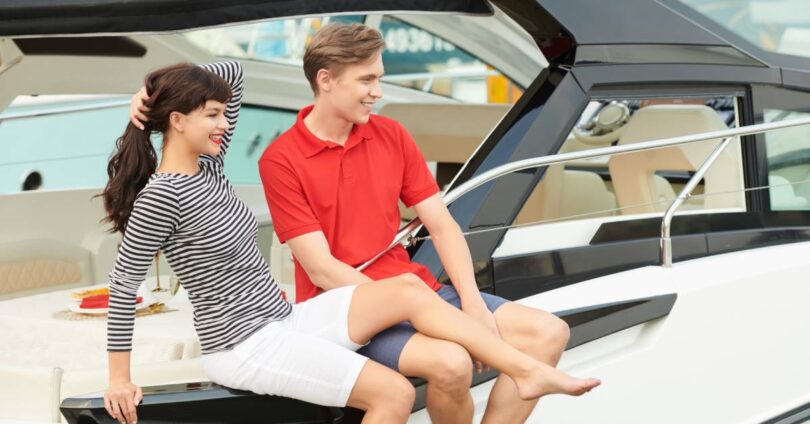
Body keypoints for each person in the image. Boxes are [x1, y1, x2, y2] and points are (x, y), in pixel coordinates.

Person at [101, 61, 599, 424]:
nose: (225, 123)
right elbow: (123, 290)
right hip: (243, 344)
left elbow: (229, 74)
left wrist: (146, 94)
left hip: (284, 320)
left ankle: (524, 370)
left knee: (405, 286)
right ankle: (526, 369)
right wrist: (119, 378)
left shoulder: (209, 167)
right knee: (394, 395)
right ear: (178, 122)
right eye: (211, 116)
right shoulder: (161, 197)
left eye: (221, 114)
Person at [259, 24, 592, 423]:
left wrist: (470, 304)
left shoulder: (391, 135)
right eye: (366, 79)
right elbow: (322, 270)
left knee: (549, 333)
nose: (377, 91)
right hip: (347, 309)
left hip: (420, 291)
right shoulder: (281, 160)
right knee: (452, 362)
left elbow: (443, 225)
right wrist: (432, 318)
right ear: (325, 80)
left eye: (379, 78)